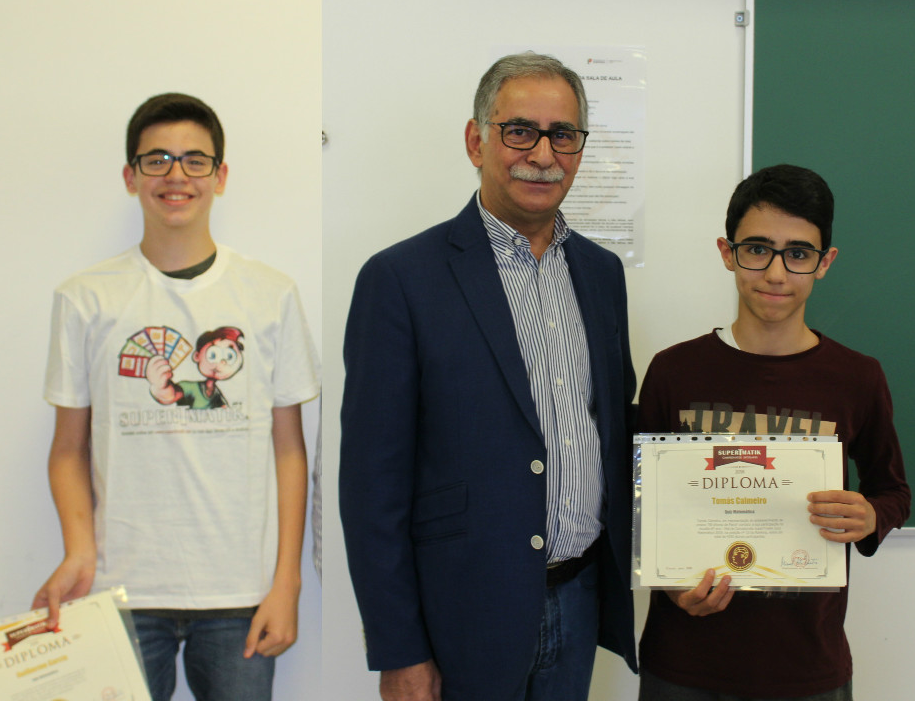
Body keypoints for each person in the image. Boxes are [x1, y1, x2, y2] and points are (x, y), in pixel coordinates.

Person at [339, 52, 637, 701]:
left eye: (563, 135)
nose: (543, 154)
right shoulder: (400, 280)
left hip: (580, 598)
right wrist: (399, 648)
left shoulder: (600, 274)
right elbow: (371, 485)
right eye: (519, 131)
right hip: (460, 616)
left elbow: (614, 428)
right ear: (476, 141)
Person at [33, 93, 320, 701]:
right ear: (130, 176)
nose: (176, 176)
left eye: (194, 160)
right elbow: (68, 450)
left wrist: (287, 583)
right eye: (157, 159)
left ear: (220, 175)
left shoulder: (270, 294)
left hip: (240, 594)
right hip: (120, 591)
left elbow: (290, 451)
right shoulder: (85, 298)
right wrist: (78, 552)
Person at [635, 164, 910, 700]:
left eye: (798, 253)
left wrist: (872, 516)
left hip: (806, 665)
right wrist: (667, 581)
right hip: (685, 661)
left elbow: (893, 492)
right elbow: (639, 505)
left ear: (824, 262)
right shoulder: (673, 371)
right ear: (727, 252)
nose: (776, 273)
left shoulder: (858, 377)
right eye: (757, 249)